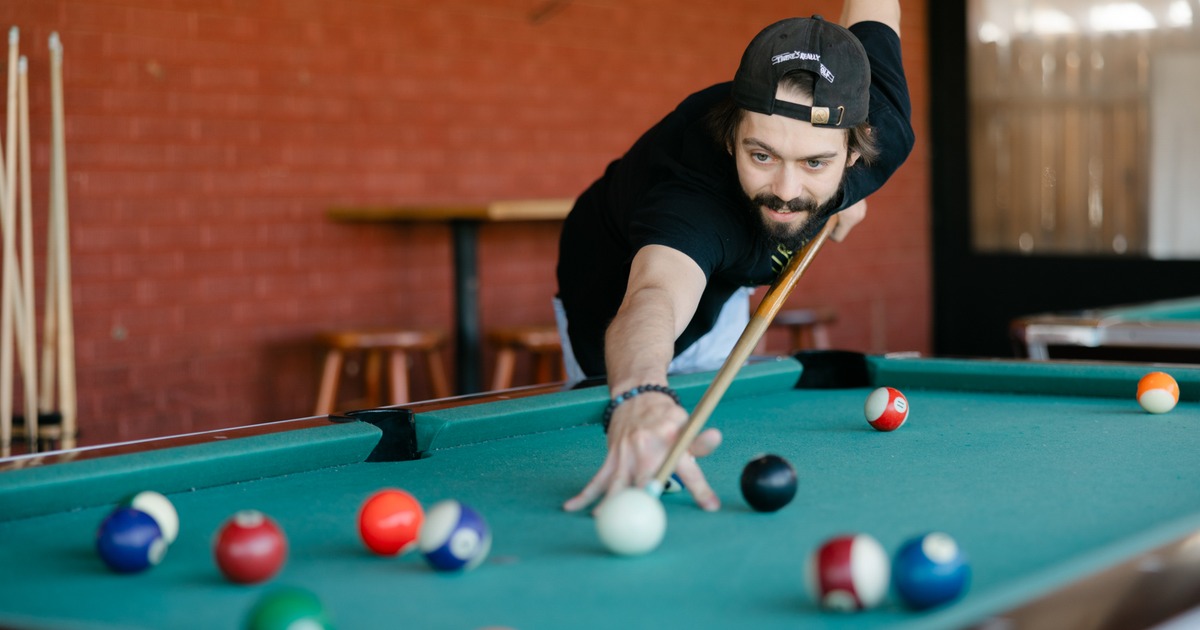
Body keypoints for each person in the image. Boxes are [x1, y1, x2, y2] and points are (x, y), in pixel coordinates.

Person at [554, 1, 914, 513]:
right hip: (611, 282)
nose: (786, 191)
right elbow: (654, 292)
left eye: (815, 162)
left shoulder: (886, 127)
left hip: (731, 274)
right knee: (644, 399)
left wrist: (846, 196)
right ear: (730, 139)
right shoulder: (694, 201)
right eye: (761, 155)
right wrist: (638, 394)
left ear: (856, 152)